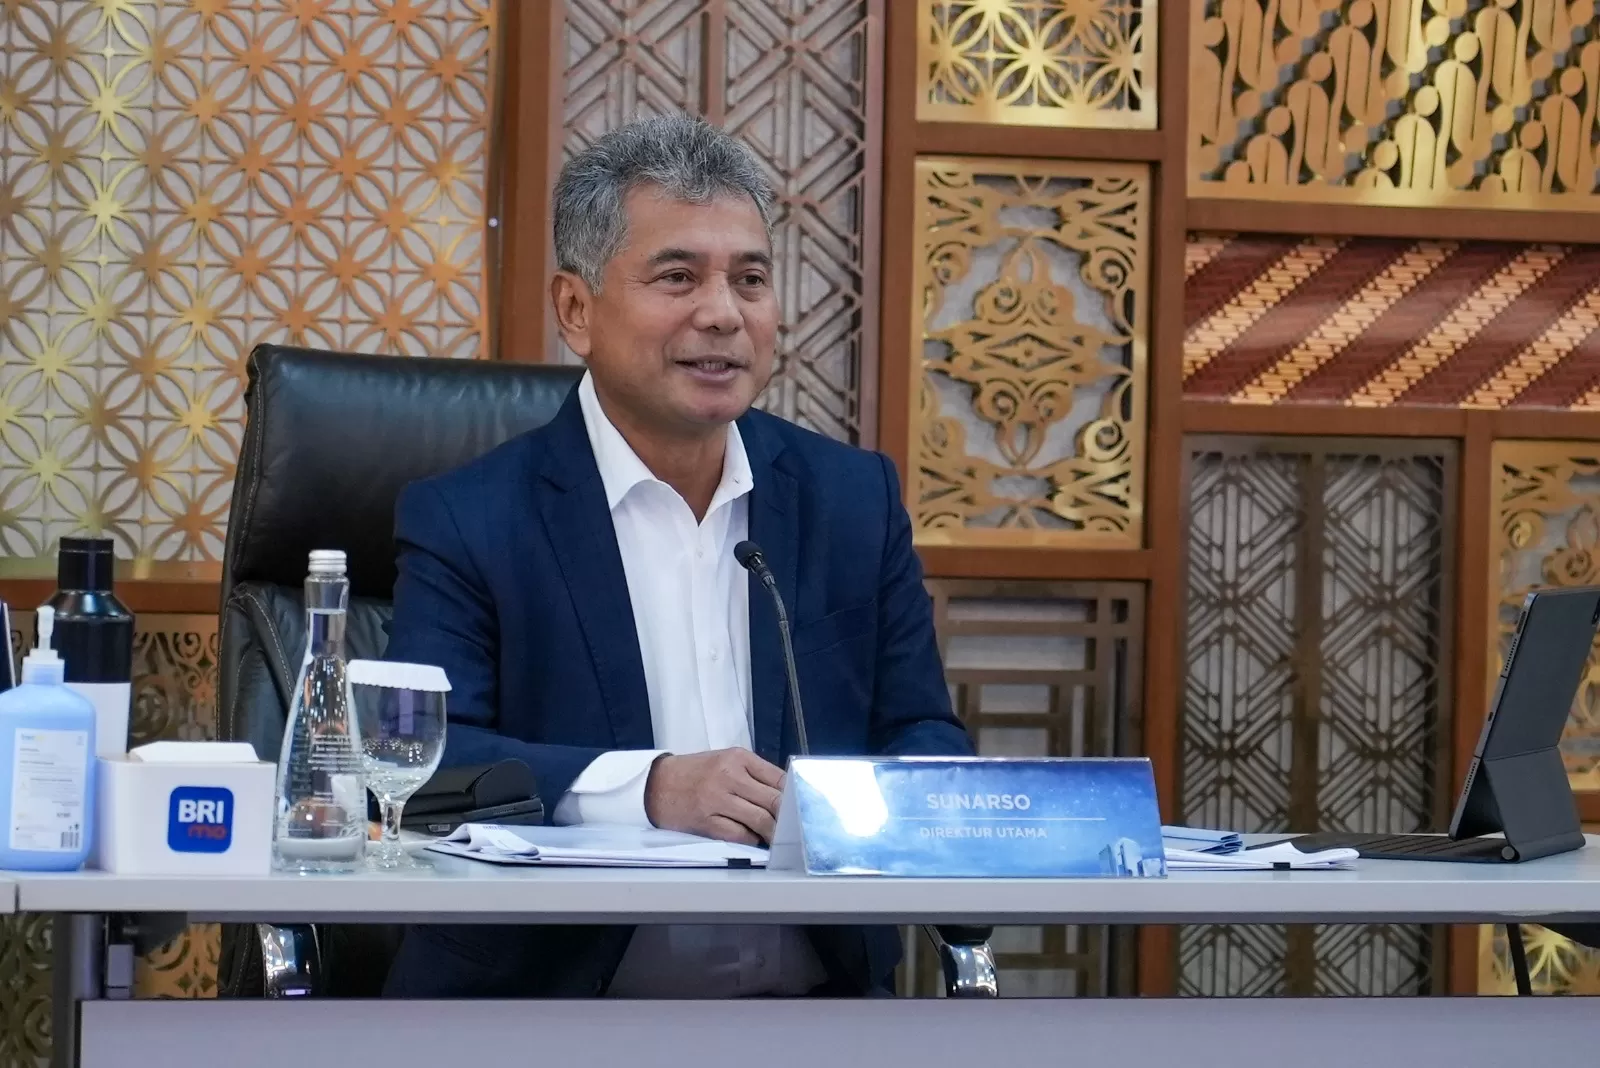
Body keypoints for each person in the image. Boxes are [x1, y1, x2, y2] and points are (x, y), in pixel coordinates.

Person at [381, 114, 973, 998]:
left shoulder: (853, 500)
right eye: (678, 277)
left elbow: (922, 734)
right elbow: (419, 762)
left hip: (821, 1018)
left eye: (751, 279)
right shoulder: (469, 518)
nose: (724, 313)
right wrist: (648, 790)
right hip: (546, 1025)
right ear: (576, 311)